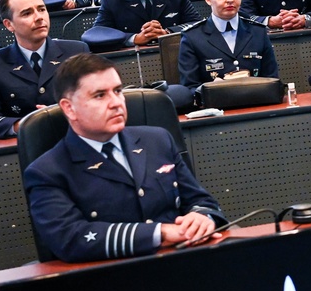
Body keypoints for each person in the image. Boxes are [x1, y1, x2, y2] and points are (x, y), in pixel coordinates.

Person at [23, 53, 224, 262]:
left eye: (118, 91)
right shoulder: (47, 171)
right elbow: (71, 239)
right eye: (100, 95)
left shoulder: (157, 140)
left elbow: (200, 200)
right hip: (110, 277)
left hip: (183, 260)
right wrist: (159, 233)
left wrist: (202, 217)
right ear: (69, 108)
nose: (116, 102)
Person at [0, 0, 89, 139]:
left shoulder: (76, 52)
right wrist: (27, 124)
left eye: (41, 9)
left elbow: (98, 102)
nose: (39, 17)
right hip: (23, 149)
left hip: (75, 139)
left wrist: (60, 115)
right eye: (27, 13)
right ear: (9, 24)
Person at [179, 0, 278, 87]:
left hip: (257, 100)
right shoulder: (193, 37)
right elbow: (189, 88)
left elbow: (273, 80)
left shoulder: (258, 32)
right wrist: (211, 89)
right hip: (216, 104)